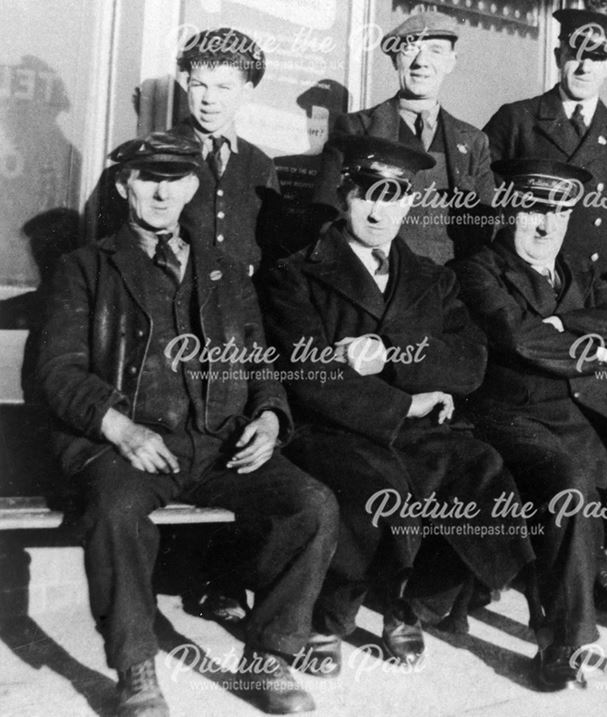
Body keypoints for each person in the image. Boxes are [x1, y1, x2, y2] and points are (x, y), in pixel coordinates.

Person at [36, 132, 338, 716]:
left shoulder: (225, 270)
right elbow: (57, 370)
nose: (161, 191)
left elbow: (259, 361)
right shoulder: (87, 268)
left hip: (219, 443)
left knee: (313, 505)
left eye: (175, 179)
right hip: (131, 448)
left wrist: (271, 419)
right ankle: (136, 669)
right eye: (148, 178)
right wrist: (119, 427)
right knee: (116, 511)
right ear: (125, 186)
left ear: (193, 187)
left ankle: (268, 660)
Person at [257, 136, 534, 671]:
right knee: (381, 487)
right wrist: (405, 403)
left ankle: (411, 605)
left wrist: (389, 354)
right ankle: (330, 617)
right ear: (344, 196)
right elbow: (310, 375)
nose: (379, 211)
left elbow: (470, 361)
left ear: (409, 203)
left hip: (417, 429)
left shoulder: (433, 277)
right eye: (367, 195)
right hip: (334, 428)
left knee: (481, 472)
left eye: (393, 197)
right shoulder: (295, 273)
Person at [453, 158, 607, 691]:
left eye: (560, 213)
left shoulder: (580, 272)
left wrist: (563, 323)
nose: (546, 226)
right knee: (569, 483)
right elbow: (517, 336)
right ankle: (563, 642)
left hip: (592, 416)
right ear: (510, 209)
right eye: (534, 211)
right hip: (513, 417)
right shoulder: (478, 269)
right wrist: (589, 348)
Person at [91, 27, 280, 276]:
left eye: (224, 87)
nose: (209, 99)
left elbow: (272, 253)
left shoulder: (261, 165)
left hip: (239, 307)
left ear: (246, 92)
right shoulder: (149, 157)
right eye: (199, 85)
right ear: (187, 84)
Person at [312, 10, 495, 264]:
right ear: (395, 59)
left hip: (451, 287)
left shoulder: (474, 142)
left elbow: (485, 233)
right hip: (378, 278)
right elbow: (324, 217)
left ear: (452, 61)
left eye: (435, 50)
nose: (421, 62)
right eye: (410, 49)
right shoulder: (355, 129)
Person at [483, 9, 607, 275]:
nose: (585, 67)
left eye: (597, 58)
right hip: (524, 275)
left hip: (597, 280)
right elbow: (485, 197)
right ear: (558, 57)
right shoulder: (517, 119)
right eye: (575, 56)